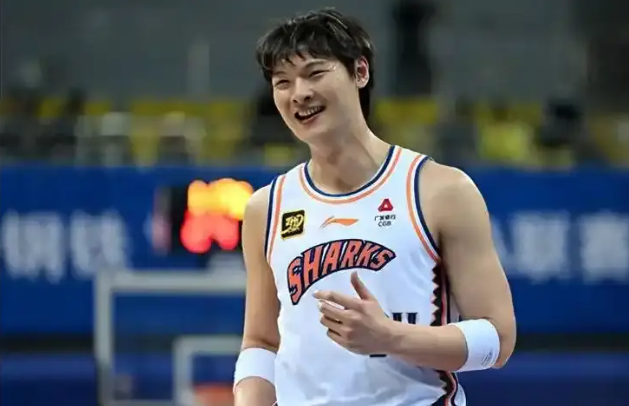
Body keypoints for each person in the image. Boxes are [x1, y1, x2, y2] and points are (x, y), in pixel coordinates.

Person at [234, 8, 516, 406]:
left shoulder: (441, 191)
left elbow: (497, 340)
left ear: (360, 72)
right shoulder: (266, 207)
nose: (299, 93)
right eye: (283, 82)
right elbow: (261, 343)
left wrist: (389, 337)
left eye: (315, 73)